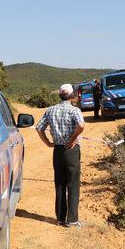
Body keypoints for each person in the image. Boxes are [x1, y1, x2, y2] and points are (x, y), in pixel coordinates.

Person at [36, 84, 85, 227]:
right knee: (73, 184)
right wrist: (72, 139)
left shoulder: (50, 110)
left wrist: (48, 143)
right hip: (71, 150)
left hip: (57, 151)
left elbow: (39, 128)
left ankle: (60, 219)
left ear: (60, 95)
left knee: (60, 184)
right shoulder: (75, 110)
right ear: (72, 95)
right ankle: (72, 220)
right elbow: (81, 126)